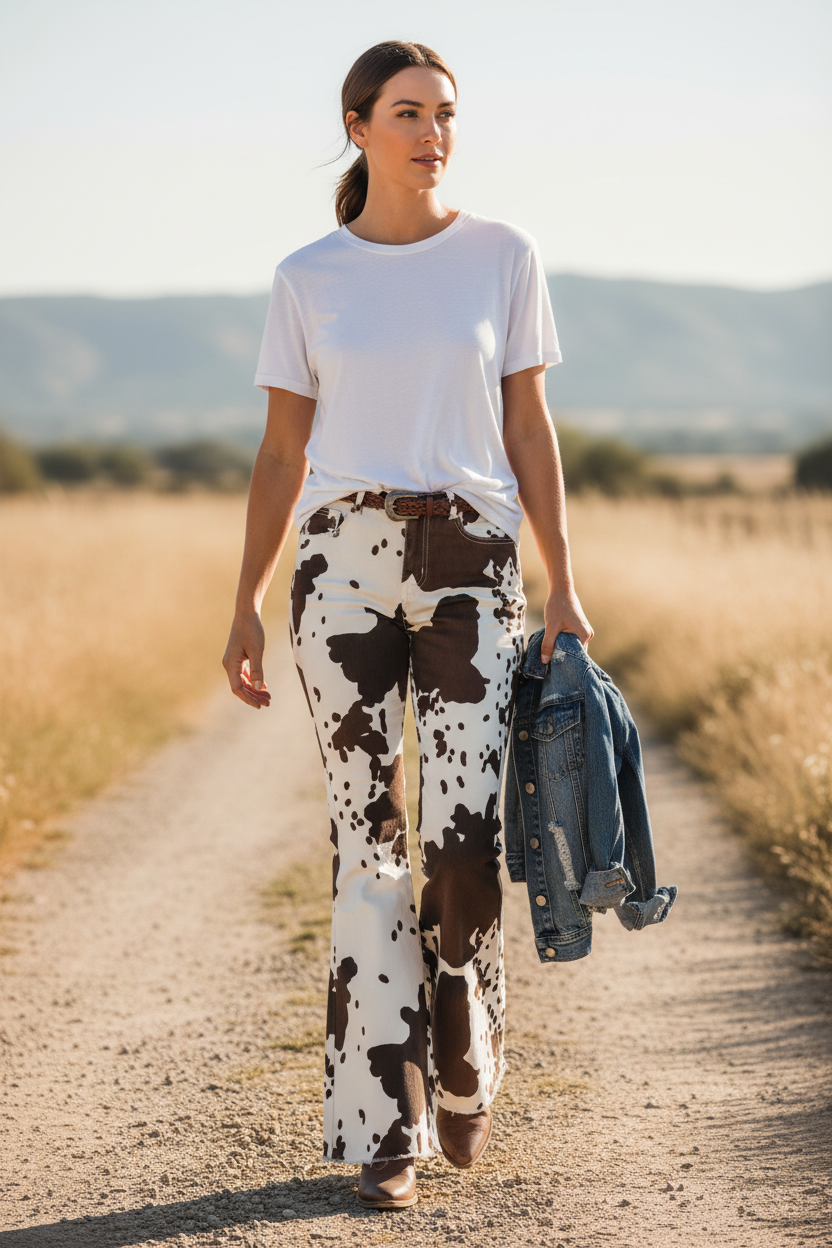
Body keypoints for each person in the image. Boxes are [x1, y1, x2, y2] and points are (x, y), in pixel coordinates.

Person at [222, 39, 593, 1211]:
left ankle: (465, 1046)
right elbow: (282, 452)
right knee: (369, 844)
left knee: (465, 842)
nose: (433, 132)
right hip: (338, 566)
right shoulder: (307, 277)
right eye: (408, 112)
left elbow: (528, 430)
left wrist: (564, 578)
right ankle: (385, 1123)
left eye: (444, 114)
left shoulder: (503, 256)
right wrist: (242, 595)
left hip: (473, 563)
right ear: (358, 126)